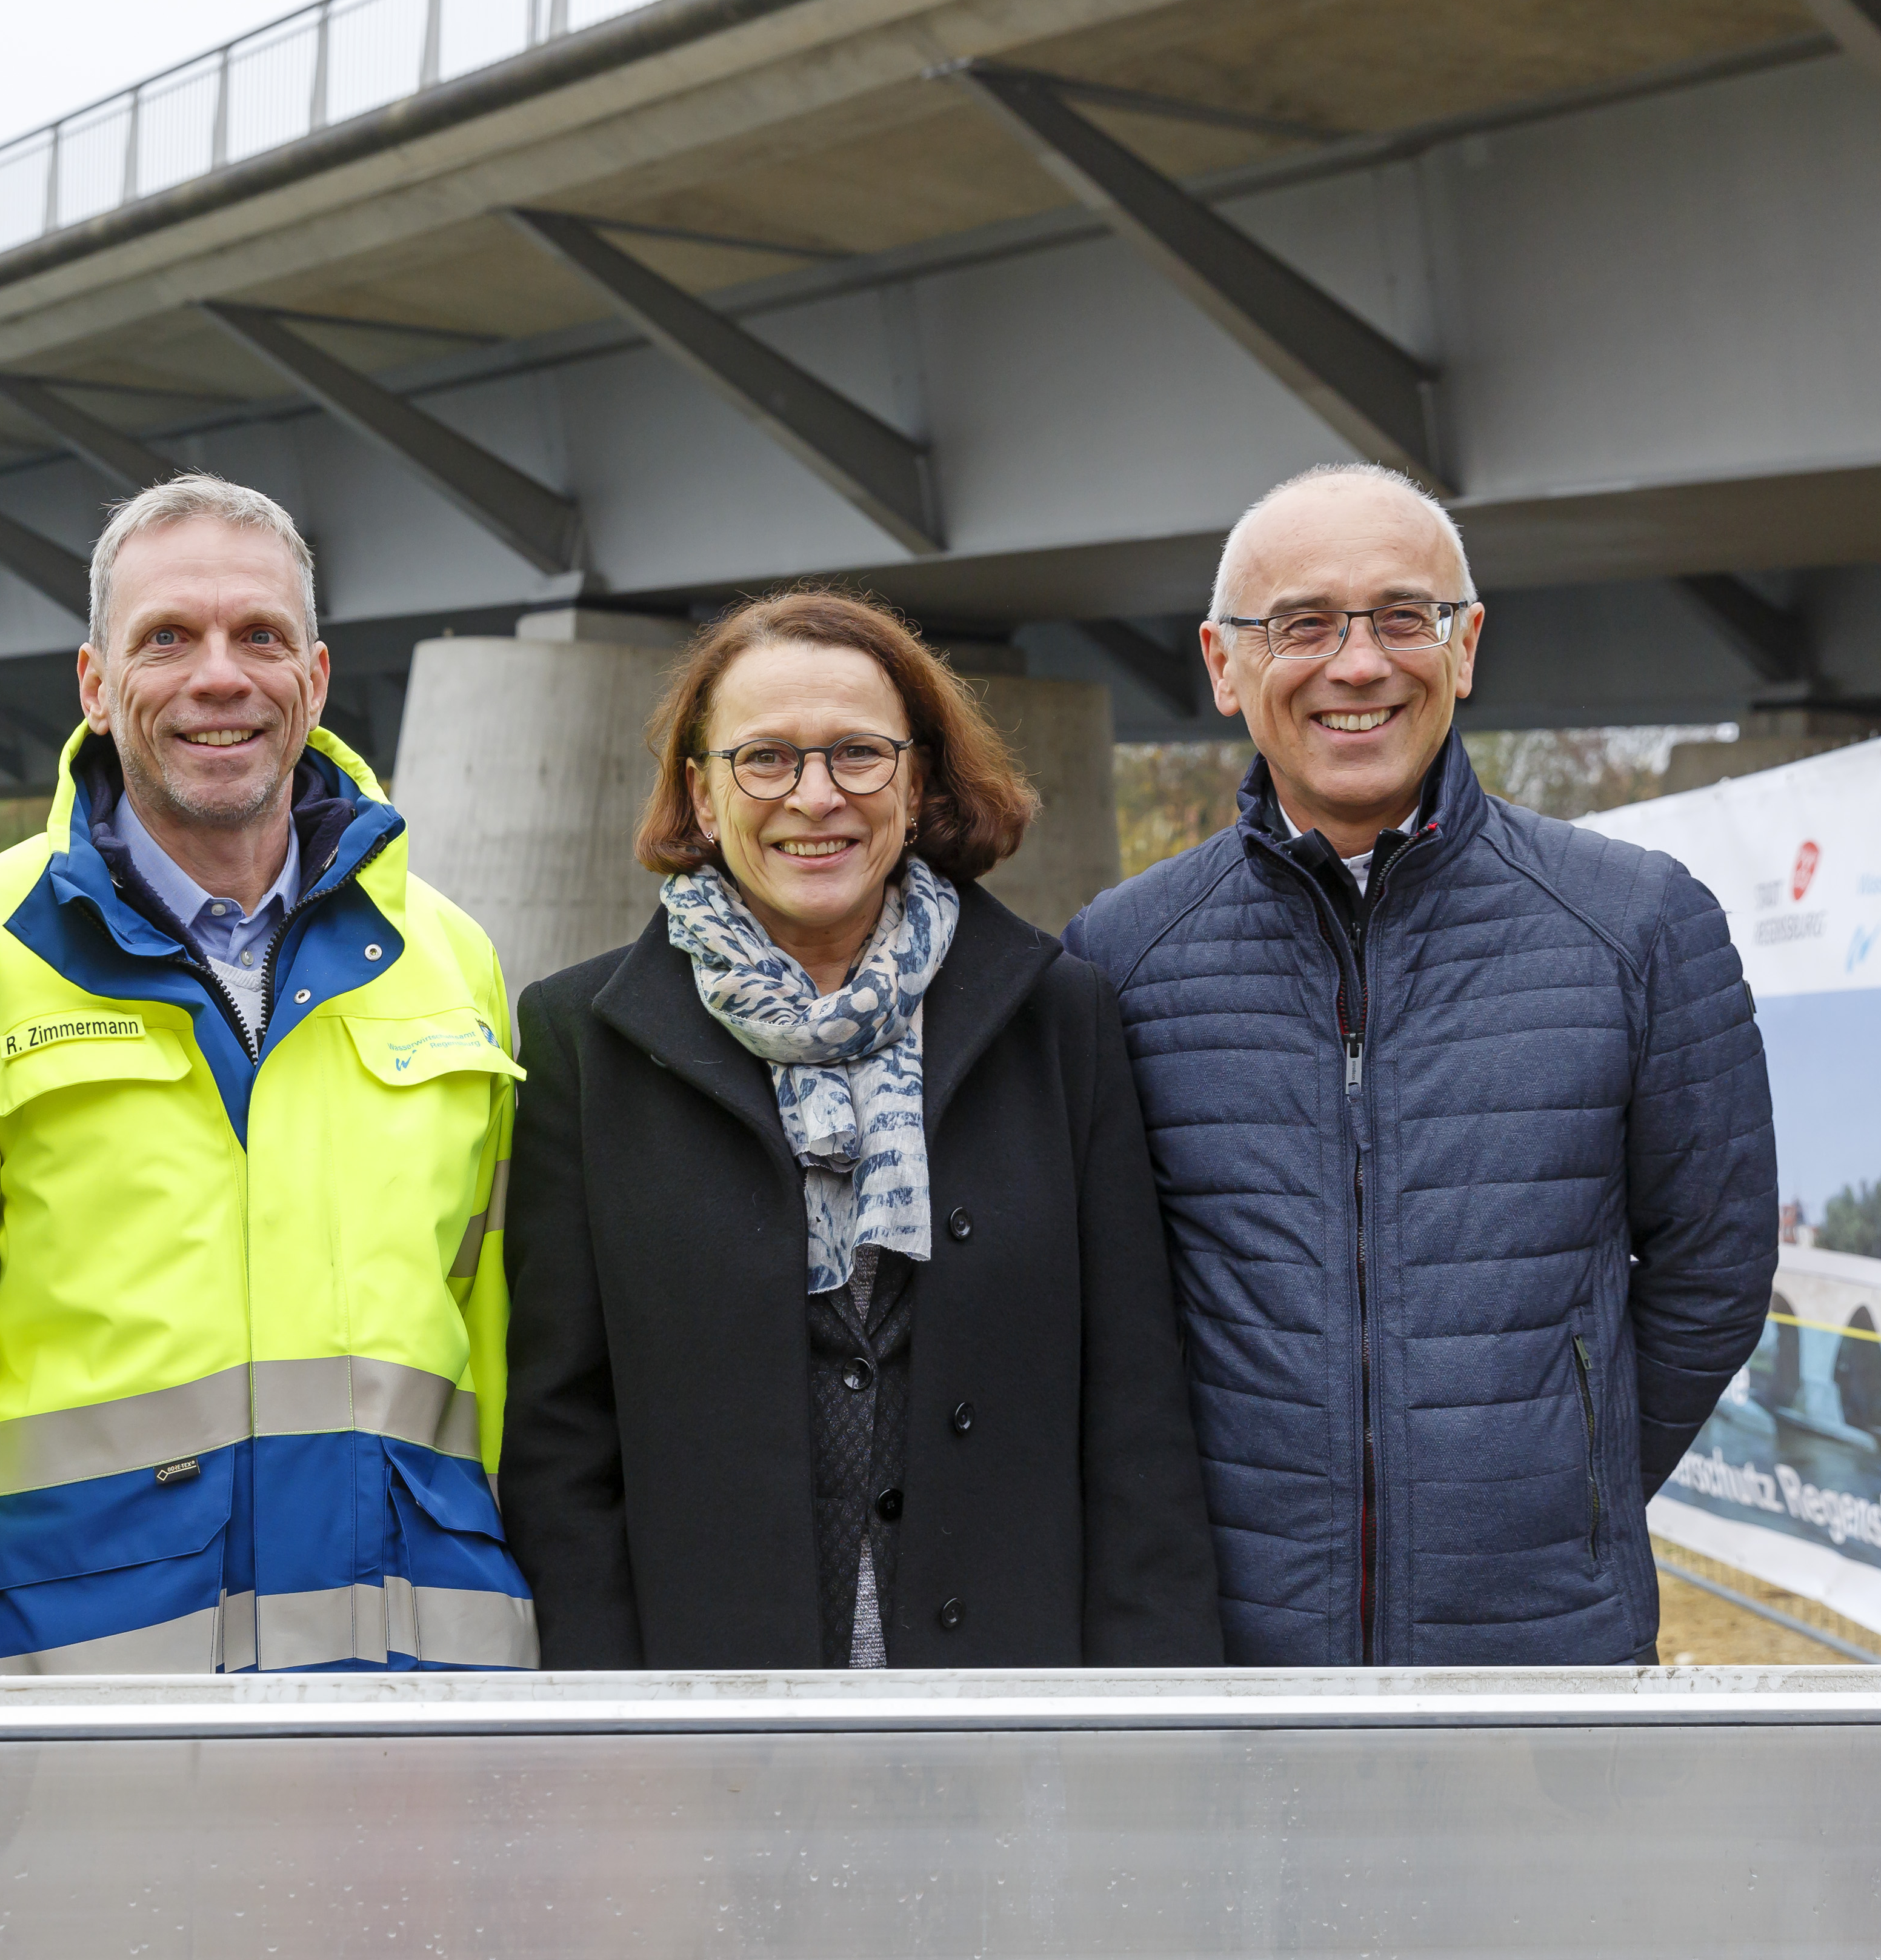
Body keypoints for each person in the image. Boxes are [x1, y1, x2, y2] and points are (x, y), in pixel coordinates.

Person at [0, 474, 536, 1673]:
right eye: (168, 638)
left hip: (417, 1706)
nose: (220, 675)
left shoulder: (453, 961)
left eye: (261, 637)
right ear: (94, 681)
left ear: (317, 677)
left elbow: (495, 1351)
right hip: (89, 1710)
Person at [1062, 462, 1777, 1666]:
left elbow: (1715, 1265)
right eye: (1303, 624)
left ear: (1467, 645)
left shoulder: (1639, 925)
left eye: (1403, 616)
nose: (1358, 663)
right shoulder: (1120, 957)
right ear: (1223, 664)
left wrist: (1570, 1489)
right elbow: (1102, 1316)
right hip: (1225, 1657)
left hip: (1545, 1654)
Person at [496, 589, 1225, 1669]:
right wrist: (604, 1730)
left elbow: (1135, 1414)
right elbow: (562, 1444)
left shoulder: (1055, 1015)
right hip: (706, 1704)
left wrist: (1145, 1709)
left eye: (857, 754)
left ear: (918, 780)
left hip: (1013, 1696)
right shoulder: (582, 1040)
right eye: (766, 760)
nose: (815, 796)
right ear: (700, 795)